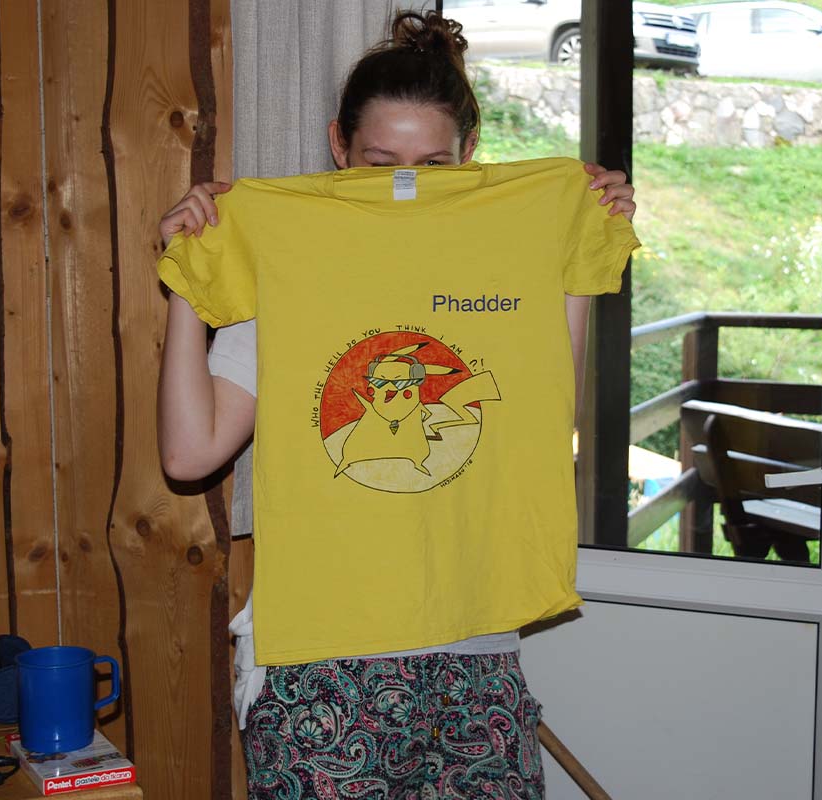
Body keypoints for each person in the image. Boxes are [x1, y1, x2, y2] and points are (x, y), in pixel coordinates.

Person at [156, 11, 636, 799]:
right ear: (338, 147)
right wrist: (189, 279)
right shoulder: (292, 261)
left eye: (432, 165)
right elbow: (189, 454)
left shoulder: (506, 257)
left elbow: (546, 408)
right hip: (321, 664)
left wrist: (574, 239)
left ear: (470, 156)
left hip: (476, 650)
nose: (404, 184)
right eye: (380, 162)